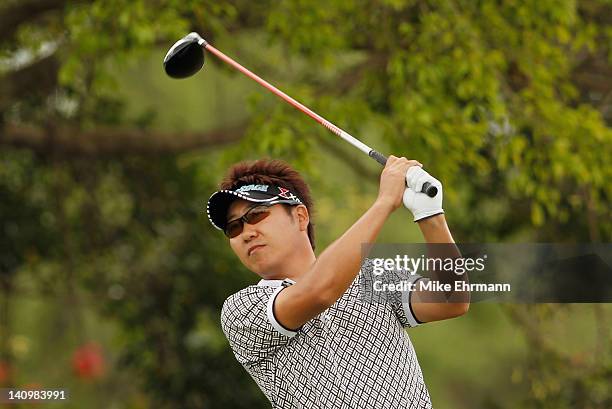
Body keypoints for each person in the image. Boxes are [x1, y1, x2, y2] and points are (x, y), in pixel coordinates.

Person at [206, 156, 469, 408]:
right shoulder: (241, 309)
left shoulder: (371, 276)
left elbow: (452, 300)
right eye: (234, 228)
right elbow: (320, 291)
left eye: (256, 214)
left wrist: (430, 214)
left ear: (300, 216)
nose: (247, 233)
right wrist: (384, 203)